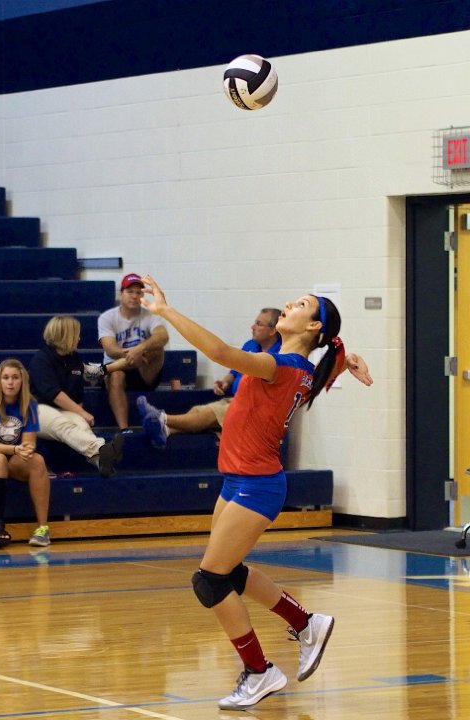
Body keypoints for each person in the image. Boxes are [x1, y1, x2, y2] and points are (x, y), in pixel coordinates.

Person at [140, 276, 372, 711]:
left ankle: (260, 671)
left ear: (312, 327)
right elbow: (325, 362)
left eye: (301, 304)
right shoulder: (300, 367)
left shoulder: (279, 366)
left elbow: (219, 352)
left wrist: (165, 311)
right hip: (238, 479)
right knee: (227, 574)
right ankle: (307, 624)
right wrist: (344, 360)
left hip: (257, 484)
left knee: (209, 581)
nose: (289, 303)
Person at [137, 307, 282, 447]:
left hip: (255, 408)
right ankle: (166, 431)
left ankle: (162, 418)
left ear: (273, 330)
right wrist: (225, 382)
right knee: (196, 411)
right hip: (237, 399)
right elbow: (234, 372)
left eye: (259, 324)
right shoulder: (250, 345)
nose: (252, 327)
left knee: (209, 414)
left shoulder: (278, 356)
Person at [29, 315, 127, 478]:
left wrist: (80, 415)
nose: (79, 338)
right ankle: (103, 449)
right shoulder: (41, 360)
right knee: (62, 424)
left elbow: (83, 380)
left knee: (81, 426)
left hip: (63, 410)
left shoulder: (73, 358)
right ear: (66, 336)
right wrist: (82, 412)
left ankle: (101, 461)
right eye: (76, 334)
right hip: (36, 410)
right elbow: (55, 395)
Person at [0, 359, 53, 548]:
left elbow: (28, 443)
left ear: (22, 381)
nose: (10, 382)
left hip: (13, 458)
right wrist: (13, 449)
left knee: (37, 461)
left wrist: (26, 450)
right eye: (6, 378)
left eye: (15, 378)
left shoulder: (29, 405)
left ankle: (42, 529)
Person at [98, 273, 169, 433]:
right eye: (130, 292)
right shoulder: (107, 317)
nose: (134, 296)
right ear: (121, 294)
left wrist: (140, 349)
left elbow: (163, 336)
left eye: (138, 293)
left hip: (144, 370)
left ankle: (103, 370)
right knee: (116, 375)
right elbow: (110, 348)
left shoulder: (150, 316)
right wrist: (133, 354)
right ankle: (124, 429)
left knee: (157, 348)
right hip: (117, 369)